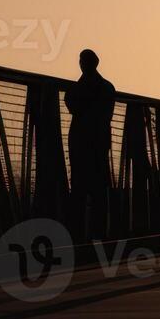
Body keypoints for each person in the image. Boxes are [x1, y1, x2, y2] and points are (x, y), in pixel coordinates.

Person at [65, 49, 116, 243]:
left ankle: (76, 235)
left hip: (80, 145)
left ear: (82, 64)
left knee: (78, 189)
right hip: (100, 145)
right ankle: (99, 233)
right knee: (99, 191)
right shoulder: (108, 88)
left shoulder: (76, 90)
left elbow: (71, 104)